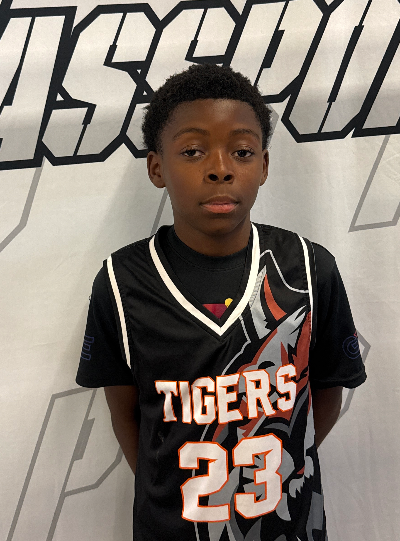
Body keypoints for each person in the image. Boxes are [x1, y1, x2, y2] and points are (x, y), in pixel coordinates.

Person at [76, 63, 366, 541]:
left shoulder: (309, 268)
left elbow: (328, 392)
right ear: (157, 167)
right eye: (192, 151)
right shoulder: (121, 281)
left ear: (264, 166)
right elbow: (126, 413)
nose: (220, 168)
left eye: (242, 151)